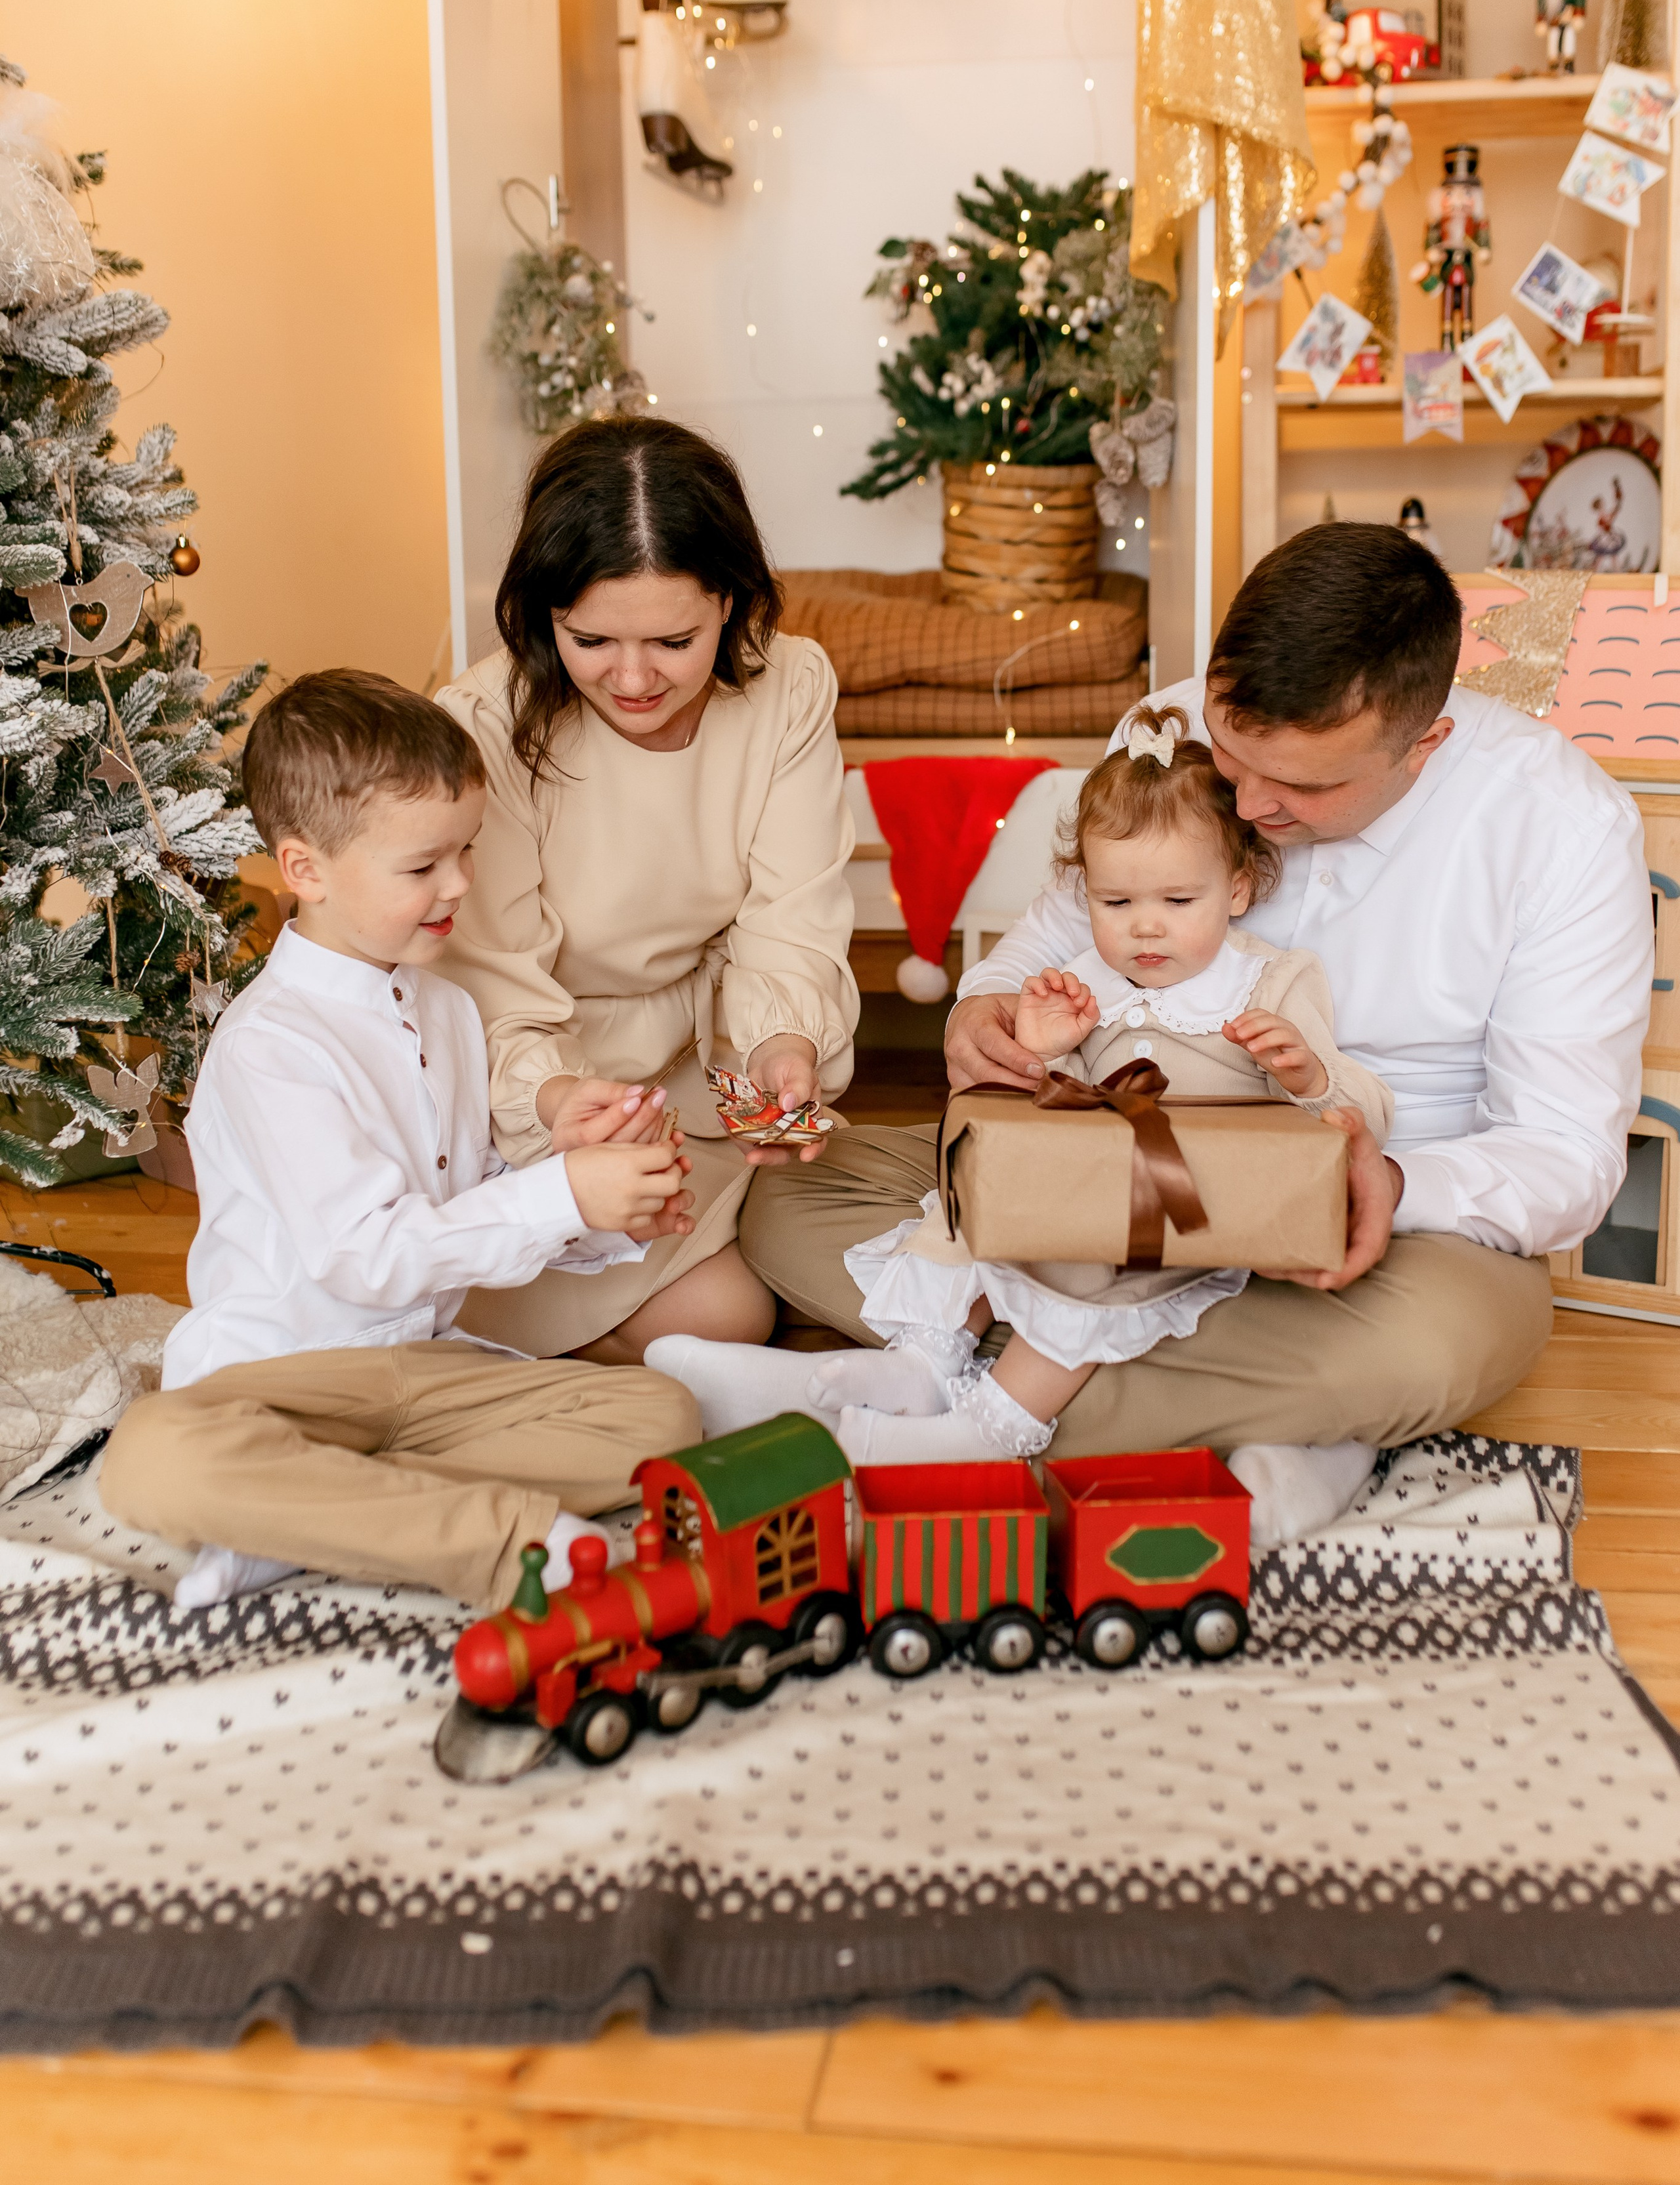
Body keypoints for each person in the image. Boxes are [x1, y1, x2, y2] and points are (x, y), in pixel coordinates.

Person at [727, 523, 1652, 1543]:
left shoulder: (1562, 826)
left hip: (1371, 1232)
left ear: (1421, 745)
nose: (1250, 804)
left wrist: (1386, 1186)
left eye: (1303, 787)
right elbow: (1051, 934)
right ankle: (1284, 1424)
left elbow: (1566, 1152)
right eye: (1234, 752)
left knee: (1436, 1348)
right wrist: (984, 1011)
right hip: (1104, 1174)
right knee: (787, 1200)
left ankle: (937, 1394)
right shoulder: (1164, 733)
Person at [101, 671, 700, 1613]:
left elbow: (465, 1198)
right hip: (281, 1381)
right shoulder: (270, 1046)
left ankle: (305, 1516)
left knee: (661, 1415)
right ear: (306, 870)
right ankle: (499, 1540)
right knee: (153, 1458)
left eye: (466, 851)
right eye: (423, 868)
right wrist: (560, 1196)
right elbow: (366, 1255)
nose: (459, 884)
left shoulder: (449, 1010)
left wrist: (595, 1197)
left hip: (424, 1366)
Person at [822, 705, 1391, 1479]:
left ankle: (994, 1427)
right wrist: (1044, 1050)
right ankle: (923, 1361)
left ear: (1237, 890)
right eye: (1115, 904)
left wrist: (1307, 1077)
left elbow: (1362, 1119)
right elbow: (1043, 1117)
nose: (1145, 929)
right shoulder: (1085, 980)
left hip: (1191, 1213)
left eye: (1177, 903)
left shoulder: (1269, 983)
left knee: (1085, 1275)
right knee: (966, 1212)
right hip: (1086, 1188)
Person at [436, 417, 858, 1363]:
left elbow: (791, 916)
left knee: (832, 1261)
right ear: (542, 614)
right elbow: (490, 992)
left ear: (731, 603)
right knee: (728, 1318)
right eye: (589, 639)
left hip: (707, 1074)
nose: (632, 678)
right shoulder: (482, 729)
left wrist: (782, 1044)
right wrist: (558, 1105)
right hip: (551, 1099)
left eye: (674, 640)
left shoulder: (789, 686)